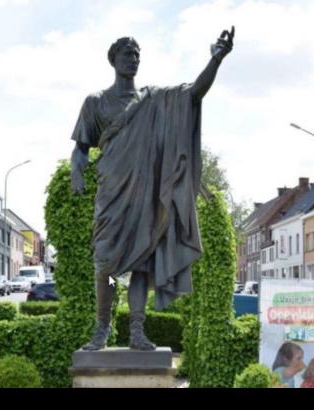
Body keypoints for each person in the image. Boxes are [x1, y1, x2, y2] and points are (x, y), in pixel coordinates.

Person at [71, 27, 234, 351]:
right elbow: (81, 147)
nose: (133, 60)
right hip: (111, 192)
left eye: (137, 55)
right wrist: (77, 168)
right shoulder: (95, 102)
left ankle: (137, 331)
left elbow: (192, 94)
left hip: (145, 196)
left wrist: (216, 59)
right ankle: (101, 330)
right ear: (113, 60)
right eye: (127, 55)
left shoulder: (153, 100)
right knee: (104, 263)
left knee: (142, 262)